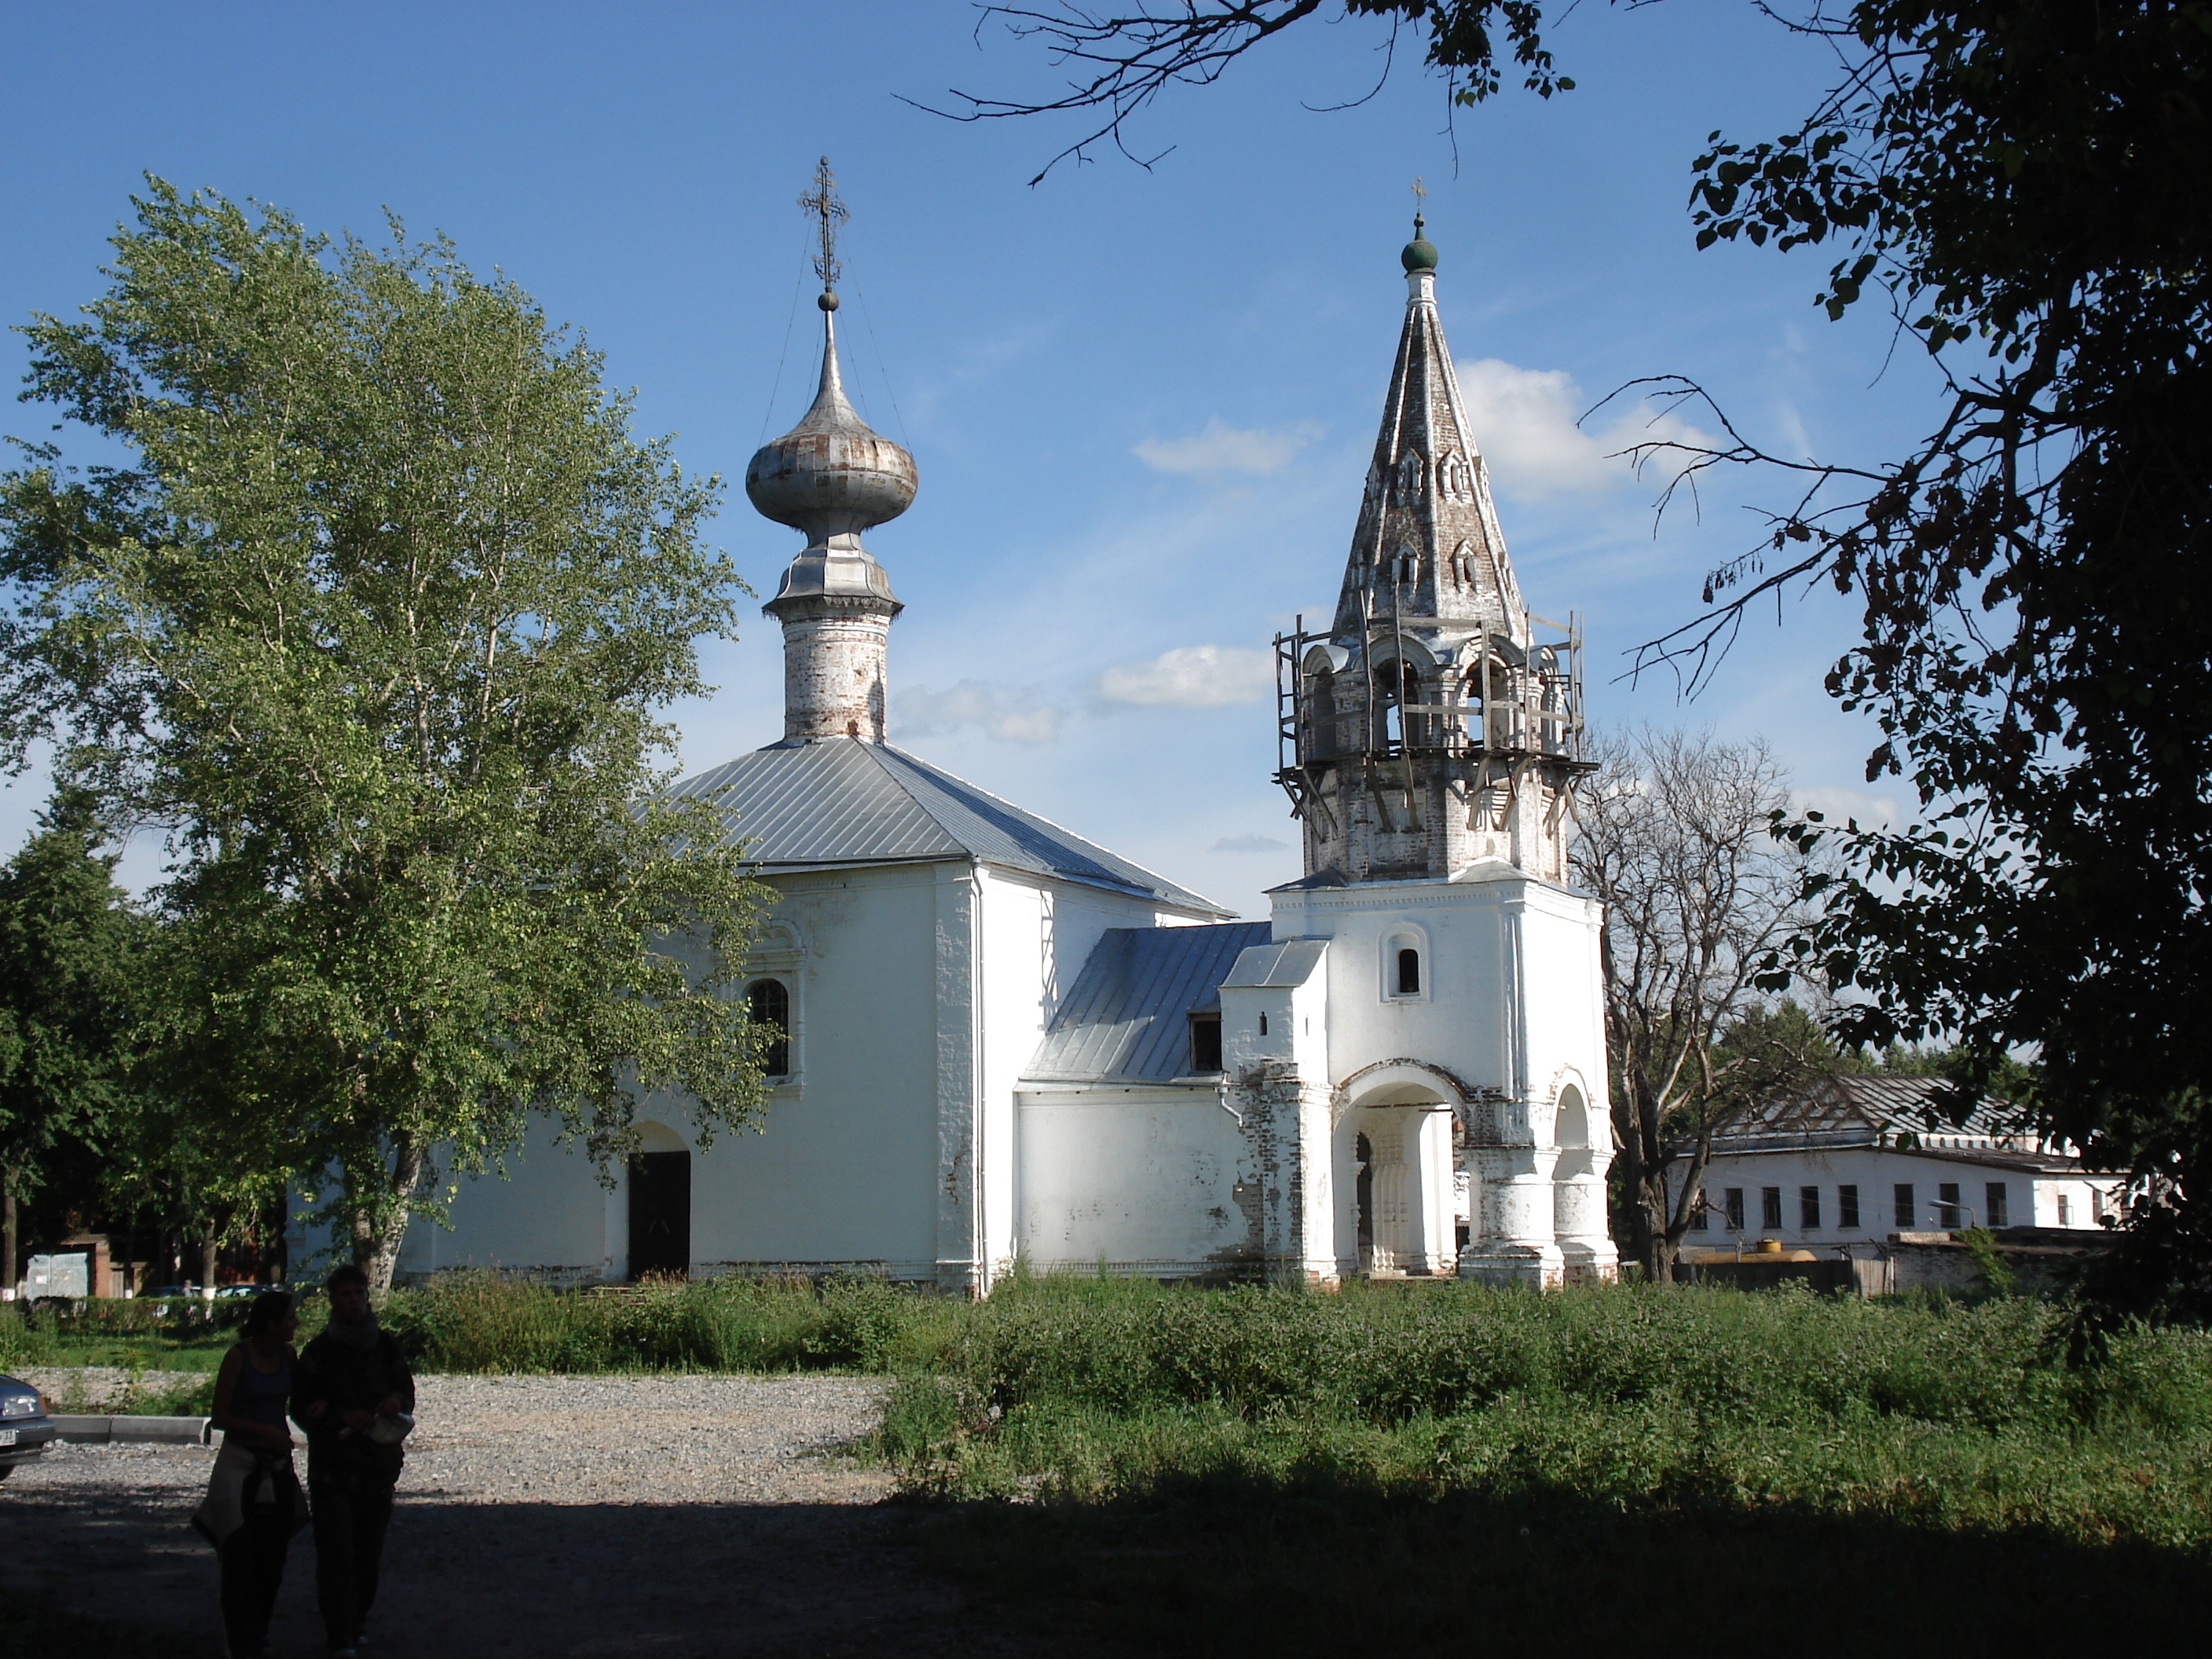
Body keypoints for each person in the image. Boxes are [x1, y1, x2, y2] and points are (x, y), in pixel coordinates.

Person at [292, 1265, 416, 1658]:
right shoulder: (318, 1352)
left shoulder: (386, 1346)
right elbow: (301, 1407)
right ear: (333, 1301)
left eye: (359, 1294)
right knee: (335, 1553)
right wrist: (340, 1417)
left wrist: (394, 1403)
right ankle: (339, 1632)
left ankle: (358, 1619)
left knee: (368, 1550)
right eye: (345, 1295)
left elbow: (406, 1391)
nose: (354, 1302)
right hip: (334, 1468)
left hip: (377, 1466)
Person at [194, 1289, 306, 1659]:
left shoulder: (289, 1356)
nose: (296, 1323)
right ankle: (239, 1642)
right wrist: (267, 1433)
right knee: (239, 1555)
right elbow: (221, 1418)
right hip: (241, 1465)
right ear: (271, 1323)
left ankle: (258, 1632)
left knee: (273, 1557)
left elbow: (301, 1400)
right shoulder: (238, 1358)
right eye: (290, 1318)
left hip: (276, 1466)